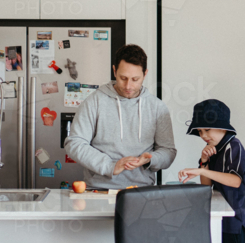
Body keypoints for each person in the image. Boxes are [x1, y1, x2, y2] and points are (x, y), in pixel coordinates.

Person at [65, 44, 177, 189]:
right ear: (114, 71)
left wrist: (150, 160)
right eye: (123, 78)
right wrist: (110, 166)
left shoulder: (157, 107)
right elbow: (75, 143)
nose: (128, 86)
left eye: (135, 79)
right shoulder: (94, 101)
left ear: (145, 74)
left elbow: (168, 151)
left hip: (141, 191)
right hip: (99, 189)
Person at [178, 99, 245, 243]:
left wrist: (201, 169)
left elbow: (236, 181)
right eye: (199, 132)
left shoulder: (233, 146)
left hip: (238, 222)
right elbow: (206, 186)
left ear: (222, 127)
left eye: (207, 129)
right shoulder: (214, 149)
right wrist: (204, 161)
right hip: (222, 221)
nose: (203, 136)